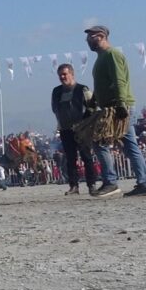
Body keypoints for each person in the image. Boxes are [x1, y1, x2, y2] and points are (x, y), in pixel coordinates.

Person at [85, 25, 146, 197]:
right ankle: (143, 184)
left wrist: (121, 104)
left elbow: (119, 80)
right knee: (128, 146)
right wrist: (93, 102)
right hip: (110, 107)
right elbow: (101, 85)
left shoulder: (112, 55)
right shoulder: (101, 57)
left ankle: (112, 182)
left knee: (101, 142)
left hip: (117, 107)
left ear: (101, 36)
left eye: (90, 36)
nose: (87, 40)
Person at [51, 63, 98, 196]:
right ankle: (73, 186)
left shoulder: (83, 89)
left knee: (87, 157)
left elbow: (92, 107)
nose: (62, 77)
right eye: (60, 75)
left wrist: (86, 123)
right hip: (65, 129)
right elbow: (54, 108)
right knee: (70, 159)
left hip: (82, 130)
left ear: (72, 74)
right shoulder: (56, 91)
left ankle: (91, 185)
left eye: (64, 74)